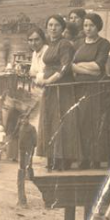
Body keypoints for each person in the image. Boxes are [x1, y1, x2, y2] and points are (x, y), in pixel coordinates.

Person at [71, 12, 110, 169]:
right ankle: (83, 158)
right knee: (81, 123)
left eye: (91, 25)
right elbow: (71, 65)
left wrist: (78, 67)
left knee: (95, 123)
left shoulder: (104, 43)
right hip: (79, 88)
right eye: (85, 25)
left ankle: (96, 158)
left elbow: (99, 66)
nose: (88, 28)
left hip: (96, 89)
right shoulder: (78, 43)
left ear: (98, 27)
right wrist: (87, 68)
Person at [36, 15, 77, 171]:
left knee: (61, 121)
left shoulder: (65, 44)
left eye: (57, 25)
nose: (53, 28)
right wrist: (42, 79)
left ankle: (62, 160)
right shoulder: (50, 44)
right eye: (50, 25)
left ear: (62, 28)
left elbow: (65, 67)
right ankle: (51, 156)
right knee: (50, 122)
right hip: (50, 90)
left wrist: (49, 80)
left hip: (62, 88)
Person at [15, 110, 38, 207]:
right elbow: (16, 135)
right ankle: (23, 174)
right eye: (22, 119)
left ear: (28, 119)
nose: (24, 121)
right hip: (22, 147)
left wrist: (34, 145)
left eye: (25, 119)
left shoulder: (32, 128)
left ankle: (30, 175)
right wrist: (18, 124)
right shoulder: (20, 127)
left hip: (29, 146)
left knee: (29, 161)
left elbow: (35, 137)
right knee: (22, 163)